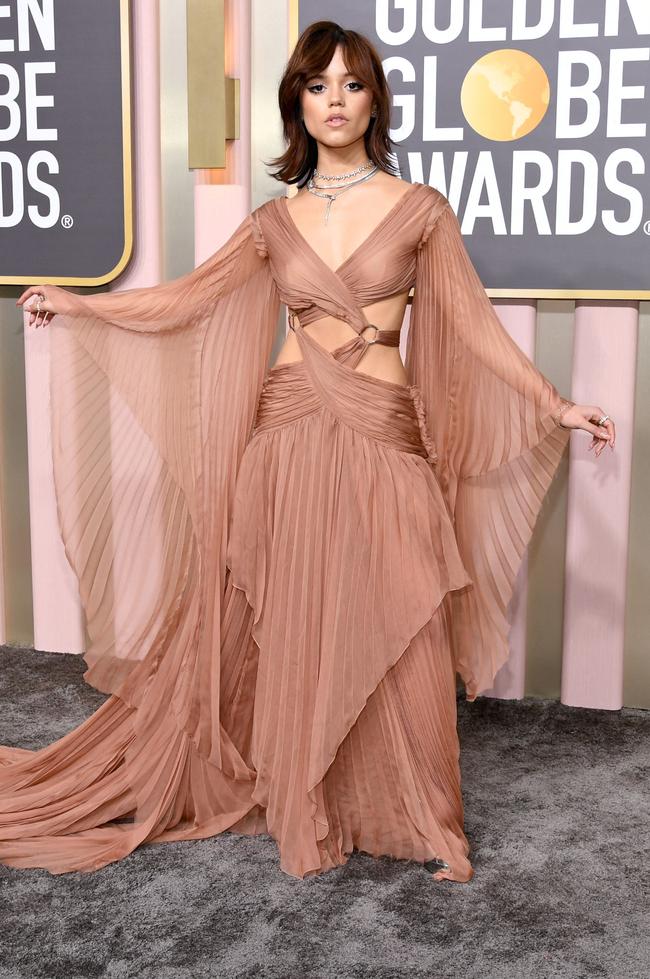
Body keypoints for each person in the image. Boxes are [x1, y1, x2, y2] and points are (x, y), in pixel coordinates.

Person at [2, 21, 614, 883]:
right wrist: (82, 304)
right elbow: (184, 301)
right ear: (297, 101)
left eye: (352, 84)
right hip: (286, 429)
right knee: (291, 613)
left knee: (401, 611)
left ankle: (413, 810)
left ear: (374, 99)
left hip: (381, 426)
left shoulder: (420, 209)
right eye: (318, 85)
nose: (335, 100)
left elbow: (472, 327)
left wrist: (556, 402)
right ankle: (303, 788)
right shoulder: (273, 219)